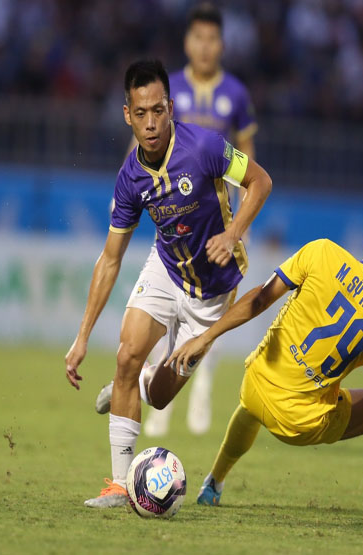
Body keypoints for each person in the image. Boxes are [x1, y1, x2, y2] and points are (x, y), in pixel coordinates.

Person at [167, 211, 363, 520]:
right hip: (300, 423)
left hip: (254, 386)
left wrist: (205, 337)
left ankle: (213, 482)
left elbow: (260, 299)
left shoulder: (322, 252)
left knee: (254, 401)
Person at [64, 59, 272, 508]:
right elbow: (110, 258)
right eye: (141, 113)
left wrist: (233, 233)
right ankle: (120, 485)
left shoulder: (205, 148)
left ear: (171, 107)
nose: (151, 123)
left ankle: (136, 389)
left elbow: (260, 181)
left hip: (214, 292)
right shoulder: (130, 179)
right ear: (127, 115)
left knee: (159, 395)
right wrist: (81, 338)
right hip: (166, 268)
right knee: (126, 356)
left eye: (158, 110)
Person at [115, 2, 258, 436]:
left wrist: (238, 224)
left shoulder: (236, 93)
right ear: (187, 42)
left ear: (222, 45)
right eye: (198, 37)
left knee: (201, 318)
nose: (204, 46)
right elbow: (140, 148)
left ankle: (197, 386)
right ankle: (149, 389)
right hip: (173, 215)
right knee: (162, 311)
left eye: (212, 39)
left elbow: (248, 156)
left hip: (216, 217)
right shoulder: (163, 86)